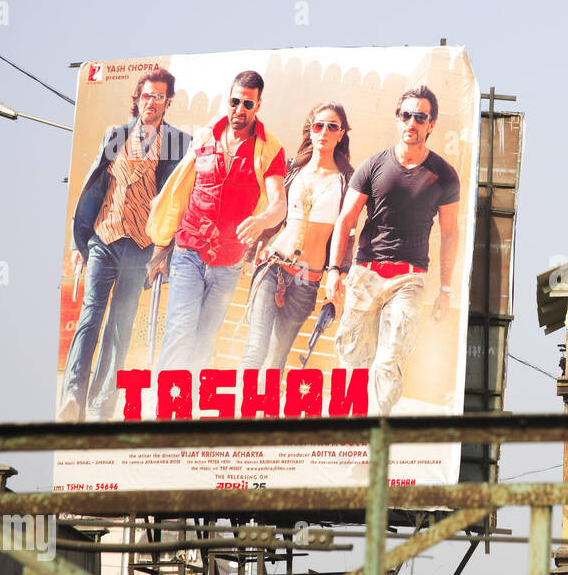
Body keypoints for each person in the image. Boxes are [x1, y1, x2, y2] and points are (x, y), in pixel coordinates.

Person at [60, 69, 193, 422]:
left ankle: (101, 408)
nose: (152, 102)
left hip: (141, 246)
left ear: (168, 102)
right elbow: (94, 185)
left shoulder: (179, 143)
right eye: (147, 95)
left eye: (159, 97)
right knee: (90, 317)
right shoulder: (116, 135)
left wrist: (164, 251)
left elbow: (179, 201)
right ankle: (73, 398)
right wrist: (78, 241)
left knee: (120, 325)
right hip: (104, 235)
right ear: (138, 97)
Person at [327, 84, 460, 415]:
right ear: (397, 120)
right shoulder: (373, 166)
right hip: (366, 272)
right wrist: (334, 270)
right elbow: (345, 220)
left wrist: (445, 289)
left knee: (389, 360)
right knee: (352, 356)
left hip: (409, 280)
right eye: (405, 115)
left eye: (420, 117)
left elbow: (450, 234)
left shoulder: (444, 175)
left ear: (431, 124)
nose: (411, 123)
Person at [146, 70, 286, 376]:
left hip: (229, 261)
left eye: (247, 104)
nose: (239, 109)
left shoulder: (270, 149)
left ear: (258, 105)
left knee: (202, 340)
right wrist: (161, 246)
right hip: (189, 251)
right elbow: (180, 191)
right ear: (229, 99)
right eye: (235, 101)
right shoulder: (206, 135)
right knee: (180, 330)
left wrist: (261, 220)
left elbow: (279, 205)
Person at [240, 102, 355, 371]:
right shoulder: (292, 169)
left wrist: (340, 275)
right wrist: (250, 251)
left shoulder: (348, 180)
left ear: (341, 134)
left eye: (332, 126)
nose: (324, 131)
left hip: (308, 278)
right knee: (255, 348)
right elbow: (274, 212)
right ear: (311, 131)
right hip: (273, 264)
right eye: (319, 125)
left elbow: (348, 233)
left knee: (275, 358)